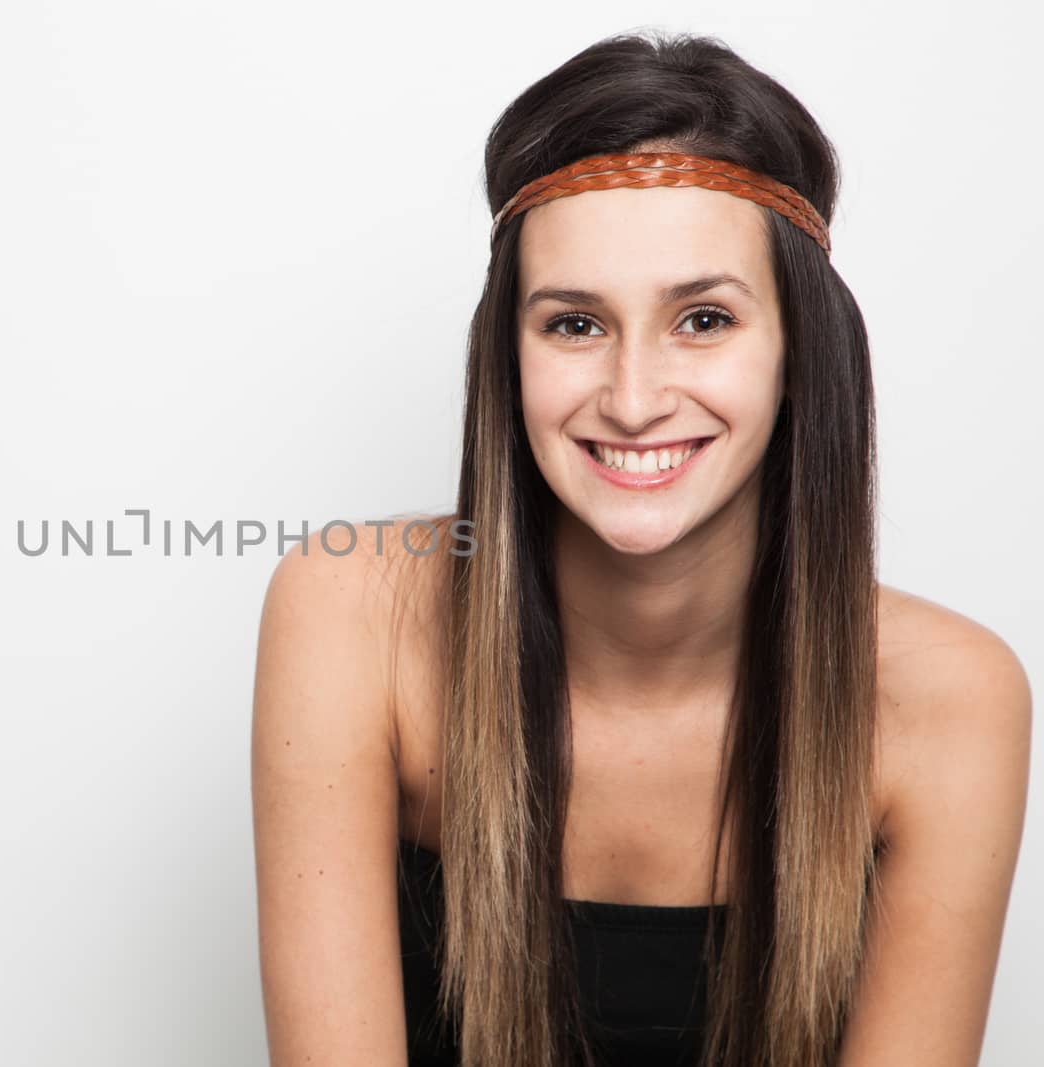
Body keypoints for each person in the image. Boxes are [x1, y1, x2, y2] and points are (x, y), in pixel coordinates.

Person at [249, 29, 1031, 1067]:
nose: (631, 399)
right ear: (507, 357)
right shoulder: (349, 611)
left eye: (702, 318)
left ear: (800, 349)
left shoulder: (951, 697)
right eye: (573, 325)